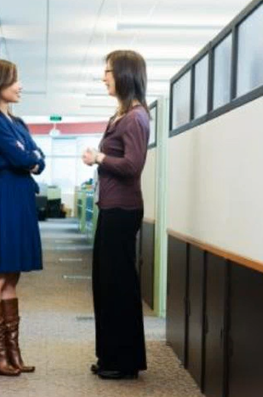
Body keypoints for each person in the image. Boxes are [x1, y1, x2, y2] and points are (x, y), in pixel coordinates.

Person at [0, 59, 45, 376]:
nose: (20, 86)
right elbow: (21, 157)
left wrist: (30, 157)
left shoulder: (18, 123)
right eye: (15, 80)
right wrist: (28, 157)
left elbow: (38, 158)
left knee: (13, 276)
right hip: (4, 198)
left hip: (22, 198)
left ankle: (13, 353)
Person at [82, 50, 149, 380]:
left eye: (108, 71)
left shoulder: (135, 118)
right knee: (106, 285)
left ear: (124, 74)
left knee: (118, 286)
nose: (104, 77)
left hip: (123, 211)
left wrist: (99, 158)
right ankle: (110, 356)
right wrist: (102, 158)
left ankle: (125, 362)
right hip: (112, 209)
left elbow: (133, 166)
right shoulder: (121, 116)